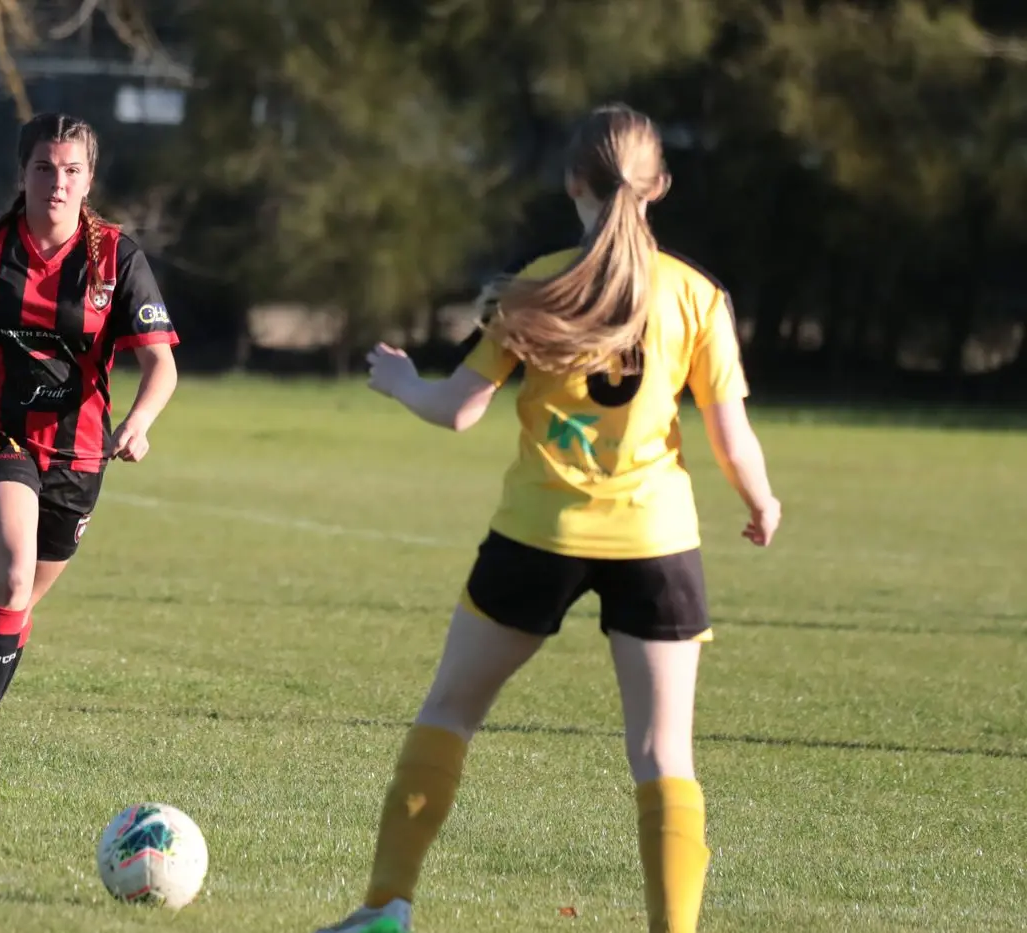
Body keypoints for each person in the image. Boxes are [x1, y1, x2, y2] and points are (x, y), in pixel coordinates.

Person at [313, 103, 780, 933]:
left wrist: (398, 382)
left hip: (539, 535)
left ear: (573, 182)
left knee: (450, 711)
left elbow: (457, 410)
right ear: (659, 186)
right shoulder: (697, 297)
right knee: (663, 754)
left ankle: (385, 910)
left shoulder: (535, 285)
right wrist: (762, 500)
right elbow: (731, 436)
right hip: (657, 542)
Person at [0, 112, 179, 802]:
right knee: (14, 572)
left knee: (17, 602)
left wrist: (139, 423)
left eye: (72, 170)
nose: (57, 183)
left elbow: (160, 366)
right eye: (44, 168)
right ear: (22, 174)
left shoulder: (117, 257)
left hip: (79, 454)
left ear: (90, 179)